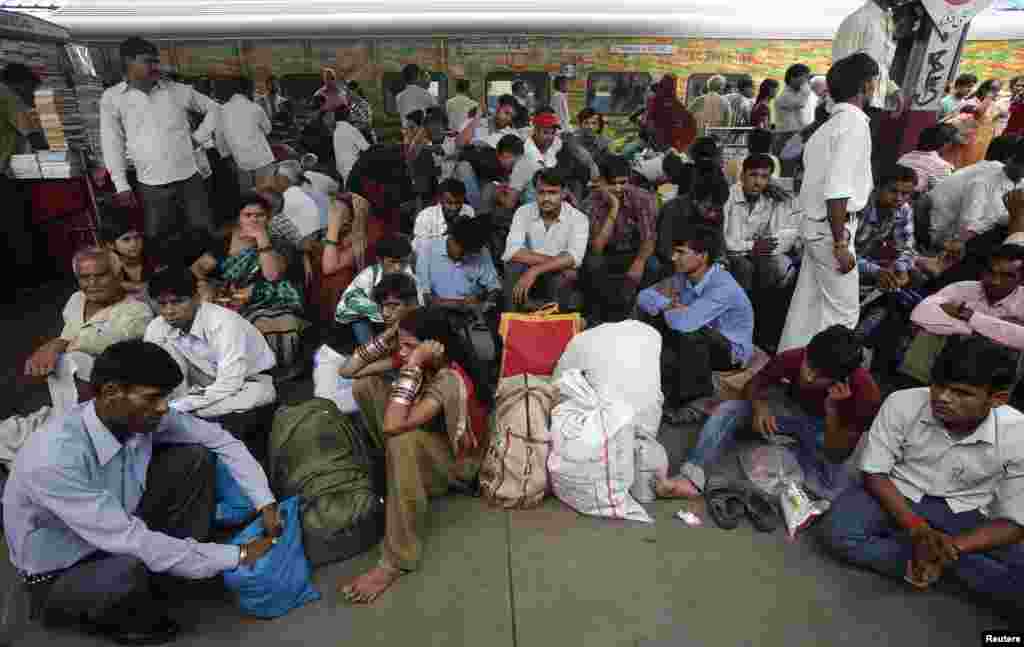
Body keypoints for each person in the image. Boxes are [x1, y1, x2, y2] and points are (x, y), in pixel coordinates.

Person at [4, 340, 281, 645]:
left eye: (165, 397)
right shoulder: (54, 457)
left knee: (193, 458)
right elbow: (129, 539)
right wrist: (238, 555)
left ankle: (180, 570)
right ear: (111, 393)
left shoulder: (138, 417)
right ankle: (123, 614)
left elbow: (221, 440)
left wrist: (265, 503)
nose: (163, 408)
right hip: (62, 571)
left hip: (116, 528)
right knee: (130, 567)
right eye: (153, 398)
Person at [820, 335, 1024, 616]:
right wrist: (916, 528)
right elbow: (874, 472)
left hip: (966, 509)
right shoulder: (902, 403)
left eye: (962, 393)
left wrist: (954, 547)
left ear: (997, 399)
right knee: (837, 533)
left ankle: (928, 559)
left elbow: (1016, 522)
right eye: (938, 385)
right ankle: (924, 560)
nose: (942, 398)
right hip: (896, 491)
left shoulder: (1018, 434)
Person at [339, 307, 487, 604]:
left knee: (400, 439)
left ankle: (396, 560)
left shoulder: (447, 377)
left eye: (409, 345)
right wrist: (389, 337)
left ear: (435, 345)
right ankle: (400, 472)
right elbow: (347, 370)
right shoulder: (413, 355)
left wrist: (414, 362)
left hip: (457, 467)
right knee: (365, 385)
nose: (402, 352)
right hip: (427, 444)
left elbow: (393, 425)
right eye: (400, 345)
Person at [662, 325, 880, 499]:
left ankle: (788, 458)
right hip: (792, 415)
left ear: (840, 379)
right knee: (729, 409)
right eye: (808, 366)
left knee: (831, 487)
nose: (808, 377)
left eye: (819, 376)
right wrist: (760, 407)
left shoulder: (865, 394)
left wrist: (833, 409)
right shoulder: (796, 356)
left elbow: (837, 454)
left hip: (826, 432)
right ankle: (692, 477)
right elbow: (754, 385)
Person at [778, 53, 879, 353]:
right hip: (832, 231)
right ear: (866, 85)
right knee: (844, 313)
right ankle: (827, 376)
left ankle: (791, 365)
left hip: (814, 227)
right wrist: (839, 244)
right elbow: (837, 190)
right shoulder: (854, 124)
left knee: (807, 306)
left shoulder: (826, 128)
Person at [100, 37, 219, 244]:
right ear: (129, 61)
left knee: (204, 234)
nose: (156, 66)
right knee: (161, 241)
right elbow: (112, 142)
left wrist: (198, 137)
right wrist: (121, 184)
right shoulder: (112, 98)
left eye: (157, 61)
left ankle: (209, 274)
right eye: (148, 61)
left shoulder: (177, 90)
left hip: (189, 178)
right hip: (151, 184)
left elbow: (215, 108)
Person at [638, 227, 754, 424]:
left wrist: (671, 310)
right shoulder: (682, 278)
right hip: (699, 340)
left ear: (702, 256)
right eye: (675, 252)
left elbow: (684, 325)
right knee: (657, 318)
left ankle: (693, 400)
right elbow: (644, 296)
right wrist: (668, 304)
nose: (674, 258)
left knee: (687, 332)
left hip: (730, 352)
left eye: (681, 252)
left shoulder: (722, 286)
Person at [21, 248, 154, 414]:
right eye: (84, 277)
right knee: (63, 360)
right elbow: (69, 336)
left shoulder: (138, 311)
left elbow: (100, 341)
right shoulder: (77, 299)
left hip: (123, 391)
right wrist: (50, 354)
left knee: (70, 360)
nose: (92, 283)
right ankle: (73, 418)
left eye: (101, 276)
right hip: (79, 392)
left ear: (118, 276)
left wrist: (56, 345)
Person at [191, 192, 309, 379]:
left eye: (259, 215)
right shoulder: (225, 242)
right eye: (248, 215)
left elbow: (272, 276)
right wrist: (204, 284)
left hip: (272, 299)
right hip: (232, 300)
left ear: (268, 218)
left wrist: (262, 238)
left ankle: (276, 370)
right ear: (239, 218)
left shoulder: (278, 243)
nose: (254, 219)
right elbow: (197, 269)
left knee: (279, 322)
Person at [143, 267, 277, 419]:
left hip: (246, 382)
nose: (169, 311)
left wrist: (182, 406)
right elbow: (152, 376)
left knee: (254, 396)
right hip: (200, 386)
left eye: (177, 302)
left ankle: (183, 413)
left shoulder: (224, 323)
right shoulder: (157, 326)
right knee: (161, 343)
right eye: (162, 304)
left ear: (196, 298)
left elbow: (229, 383)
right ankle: (181, 411)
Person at [900, 246, 1024, 385]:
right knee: (930, 332)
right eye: (990, 272)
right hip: (953, 352)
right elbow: (921, 313)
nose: (995, 281)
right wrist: (991, 330)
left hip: (997, 368)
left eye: (1007, 276)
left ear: (1021, 279)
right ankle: (912, 385)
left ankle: (995, 400)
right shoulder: (963, 288)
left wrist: (971, 317)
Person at [581, 154, 657, 325]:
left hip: (635, 251)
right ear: (601, 181)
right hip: (607, 252)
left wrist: (639, 262)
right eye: (612, 183)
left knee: (653, 266)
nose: (618, 188)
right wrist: (614, 208)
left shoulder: (642, 198)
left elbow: (649, 237)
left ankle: (646, 319)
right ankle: (598, 319)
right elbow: (597, 247)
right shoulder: (591, 202)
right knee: (592, 264)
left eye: (622, 182)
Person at [502, 168, 589, 312]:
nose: (546, 198)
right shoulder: (523, 212)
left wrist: (536, 270)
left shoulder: (578, 219)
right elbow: (512, 251)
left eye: (552, 192)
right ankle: (512, 325)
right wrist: (559, 262)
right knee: (513, 268)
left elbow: (574, 257)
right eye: (541, 192)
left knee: (564, 276)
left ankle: (554, 327)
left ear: (564, 193)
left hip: (556, 276)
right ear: (535, 192)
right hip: (529, 271)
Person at [723, 154, 802, 296]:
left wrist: (781, 203)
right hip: (729, 254)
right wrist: (753, 246)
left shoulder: (768, 200)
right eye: (753, 175)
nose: (758, 182)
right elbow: (722, 240)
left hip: (753, 253)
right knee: (744, 267)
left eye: (764, 177)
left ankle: (763, 311)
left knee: (774, 266)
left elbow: (775, 234)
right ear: (742, 176)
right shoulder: (728, 197)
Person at [0, 62, 40, 300]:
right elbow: (30, 131)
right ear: (20, 84)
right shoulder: (6, 95)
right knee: (13, 228)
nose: (30, 96)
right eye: (29, 90)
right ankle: (24, 283)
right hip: (4, 175)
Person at [335, 235, 419, 346]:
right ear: (380, 260)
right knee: (358, 321)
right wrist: (380, 312)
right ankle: (370, 354)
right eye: (392, 262)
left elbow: (418, 309)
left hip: (400, 325)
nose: (398, 268)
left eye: (402, 262)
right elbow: (344, 307)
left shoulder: (411, 279)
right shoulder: (369, 275)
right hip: (372, 325)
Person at [417, 215, 500, 310]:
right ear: (451, 238)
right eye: (463, 250)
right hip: (438, 313)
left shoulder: (481, 251)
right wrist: (462, 304)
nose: (465, 256)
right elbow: (426, 299)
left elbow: (494, 287)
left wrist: (487, 302)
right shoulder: (427, 250)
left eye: (469, 253)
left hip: (472, 312)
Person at [832, 0, 902, 111]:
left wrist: (891, 89)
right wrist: (853, 105)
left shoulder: (886, 21)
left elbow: (880, 65)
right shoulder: (858, 20)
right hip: (854, 105)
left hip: (875, 103)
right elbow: (840, 68)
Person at [218, 78, 274, 191]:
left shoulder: (220, 111)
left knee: (248, 198)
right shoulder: (255, 107)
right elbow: (268, 129)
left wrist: (226, 155)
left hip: (241, 161)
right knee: (267, 195)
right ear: (248, 90)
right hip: (262, 158)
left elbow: (220, 139)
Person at [455, 133, 524, 217]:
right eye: (506, 157)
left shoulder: (522, 166)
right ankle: (477, 213)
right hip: (475, 185)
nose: (510, 162)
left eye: (515, 158)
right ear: (499, 155)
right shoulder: (487, 160)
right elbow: (463, 156)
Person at [411, 178, 476, 257]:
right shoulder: (425, 216)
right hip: (432, 259)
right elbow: (418, 247)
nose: (454, 208)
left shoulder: (468, 211)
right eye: (449, 203)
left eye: (458, 203)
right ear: (440, 200)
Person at [897, 124, 957, 194]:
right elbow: (942, 195)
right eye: (952, 143)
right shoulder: (943, 166)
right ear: (946, 144)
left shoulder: (904, 157)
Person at [645, 74, 697, 154]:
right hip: (669, 140)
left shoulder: (656, 100)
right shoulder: (673, 103)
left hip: (662, 140)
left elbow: (650, 121)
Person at [773, 64, 815, 159]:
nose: (806, 82)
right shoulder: (785, 96)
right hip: (787, 136)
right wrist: (806, 91)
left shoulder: (799, 93)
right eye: (805, 78)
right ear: (793, 78)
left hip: (797, 134)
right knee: (788, 168)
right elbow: (800, 103)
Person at [333, 104, 371, 188]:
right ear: (348, 116)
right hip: (354, 170)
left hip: (343, 171)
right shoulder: (351, 130)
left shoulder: (337, 130)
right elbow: (367, 148)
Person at [395, 64, 437, 129]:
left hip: (407, 134)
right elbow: (436, 113)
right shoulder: (427, 94)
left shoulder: (398, 97)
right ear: (418, 76)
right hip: (422, 134)